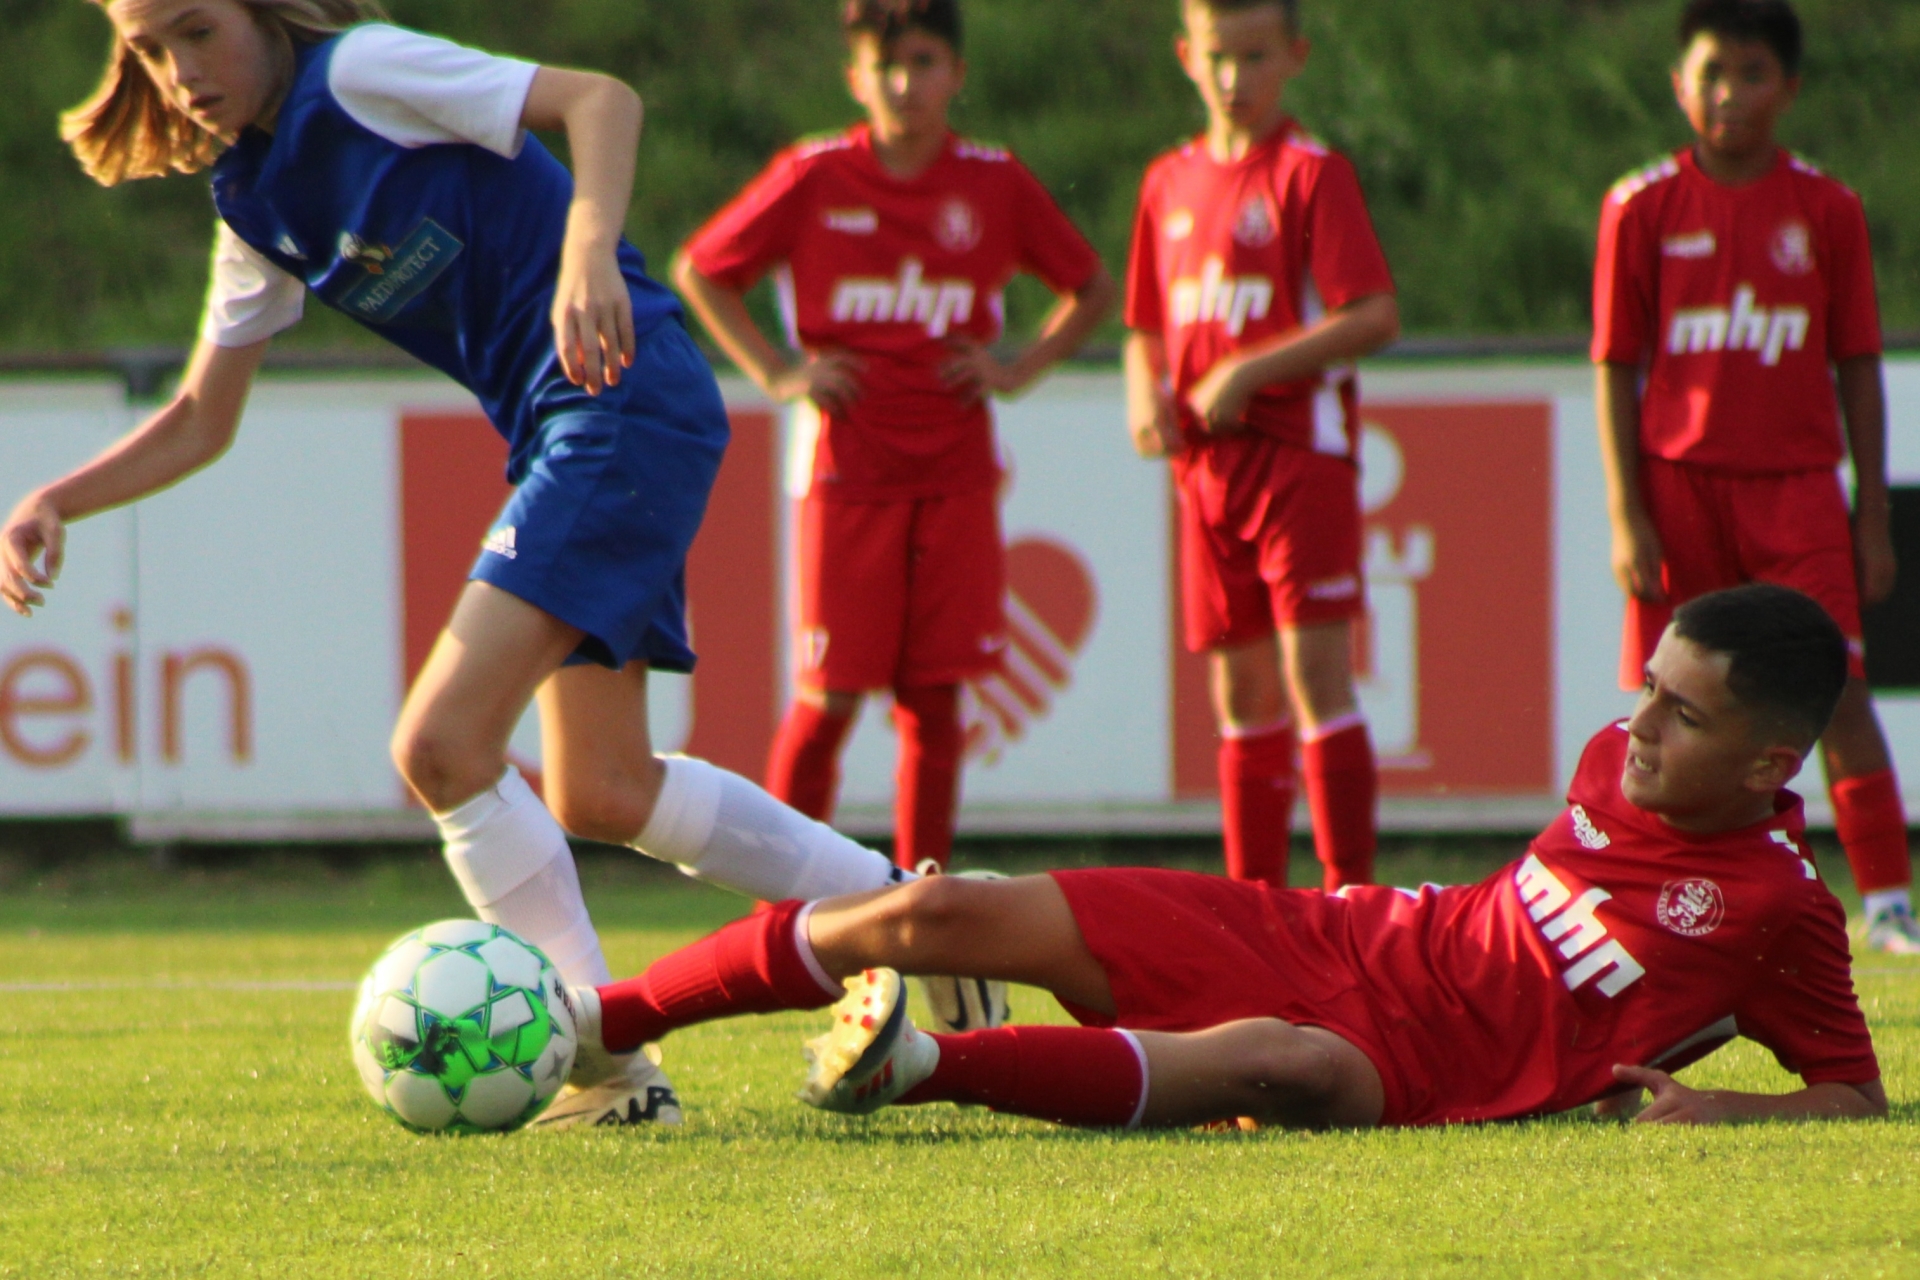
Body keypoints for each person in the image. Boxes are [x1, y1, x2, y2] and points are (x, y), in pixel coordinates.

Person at [0, 0, 933, 1128]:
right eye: (149, 49)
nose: (178, 71)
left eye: (198, 32)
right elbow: (203, 414)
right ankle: (921, 920)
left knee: (441, 746)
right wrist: (57, 498)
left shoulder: (363, 73)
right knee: (603, 788)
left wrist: (587, 251)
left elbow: (601, 100)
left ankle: (610, 1074)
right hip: (579, 425)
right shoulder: (253, 201)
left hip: (616, 401)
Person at [556, 584, 1885, 1130]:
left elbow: (1856, 1097)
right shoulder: (1617, 756)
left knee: (1280, 1063)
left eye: (1682, 713)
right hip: (1335, 934)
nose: (1638, 724)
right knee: (936, 909)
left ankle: (918, 1068)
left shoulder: (1777, 909)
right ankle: (603, 1022)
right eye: (1648, 687)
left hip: (1411, 1067)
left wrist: (1729, 1112)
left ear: (1767, 763)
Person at [672, 0, 1116, 875]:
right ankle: (781, 901)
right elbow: (703, 270)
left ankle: (922, 897)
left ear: (957, 73)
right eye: (886, 66)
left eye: (922, 63)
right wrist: (779, 373)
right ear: (856, 78)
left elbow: (1092, 287)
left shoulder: (993, 182)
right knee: (827, 700)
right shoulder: (815, 175)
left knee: (935, 703)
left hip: (955, 473)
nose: (905, 84)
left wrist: (1017, 368)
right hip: (846, 473)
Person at [1592, 0, 1918, 953]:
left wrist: (1871, 516)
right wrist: (1626, 513)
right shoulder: (1639, 205)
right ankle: (1646, 894)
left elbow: (1858, 363)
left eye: (1751, 74)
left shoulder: (1827, 208)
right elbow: (1615, 365)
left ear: (1790, 87)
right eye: (1711, 73)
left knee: (1838, 687)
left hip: (1797, 490)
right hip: (1679, 490)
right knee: (1665, 701)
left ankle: (1888, 904)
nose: (1729, 93)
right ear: (1677, 84)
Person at [1123, 0, 1399, 891]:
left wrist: (1247, 371)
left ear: (1294, 57)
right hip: (1206, 471)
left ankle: (1349, 896)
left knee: (1317, 678)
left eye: (1254, 56)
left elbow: (1373, 315)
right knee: (1240, 695)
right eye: (1218, 56)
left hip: (1298, 458)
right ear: (1185, 56)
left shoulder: (1310, 174)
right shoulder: (1168, 181)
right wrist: (1143, 393)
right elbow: (1144, 326)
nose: (1233, 77)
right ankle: (1254, 906)